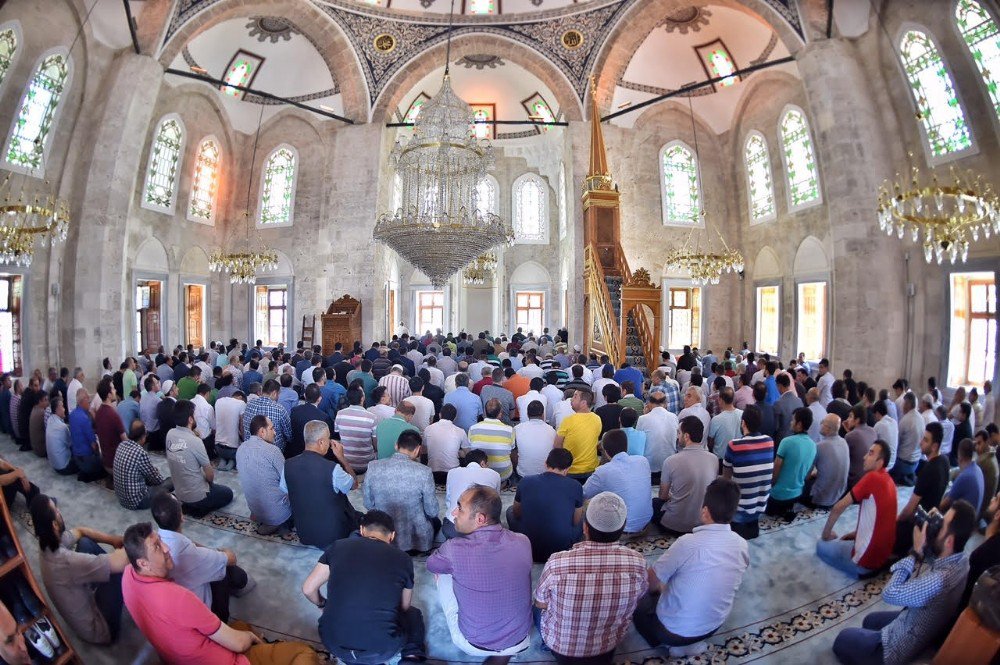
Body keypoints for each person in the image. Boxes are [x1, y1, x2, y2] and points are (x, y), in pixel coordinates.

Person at [121, 522, 317, 663]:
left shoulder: (128, 577)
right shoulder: (179, 598)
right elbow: (239, 644)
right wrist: (249, 639)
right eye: (156, 547)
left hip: (176, 658)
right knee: (304, 654)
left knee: (241, 625)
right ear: (143, 563)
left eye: (161, 540)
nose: (166, 548)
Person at [832, 501, 976, 665]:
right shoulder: (963, 560)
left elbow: (889, 593)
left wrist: (915, 552)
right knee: (870, 621)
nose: (938, 522)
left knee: (842, 639)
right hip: (918, 624)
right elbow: (938, 557)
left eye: (942, 524)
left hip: (895, 650)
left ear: (949, 541)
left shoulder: (939, 580)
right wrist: (928, 539)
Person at [633, 478, 749, 658]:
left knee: (639, 606)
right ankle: (689, 644)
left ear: (704, 511)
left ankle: (672, 646)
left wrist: (660, 590)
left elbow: (651, 581)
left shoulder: (687, 543)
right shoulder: (742, 544)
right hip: (714, 625)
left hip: (672, 631)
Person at [534, 491, 648, 664]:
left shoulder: (557, 562)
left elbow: (541, 604)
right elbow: (638, 600)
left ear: (585, 527)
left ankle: (545, 645)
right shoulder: (638, 562)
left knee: (536, 605)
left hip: (561, 649)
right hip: (607, 647)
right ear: (623, 527)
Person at [301, 510, 425, 664]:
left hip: (332, 643)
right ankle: (411, 659)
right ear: (392, 535)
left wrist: (323, 604)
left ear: (361, 530)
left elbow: (308, 589)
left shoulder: (338, 546)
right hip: (382, 648)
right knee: (413, 615)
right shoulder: (403, 559)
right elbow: (404, 607)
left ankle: (353, 659)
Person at [426, 485, 533, 661]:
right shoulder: (523, 541)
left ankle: (494, 647)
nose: (453, 512)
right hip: (520, 640)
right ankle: (504, 651)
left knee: (442, 573)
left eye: (459, 507)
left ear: (480, 519)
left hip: (473, 644)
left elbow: (431, 565)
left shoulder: (453, 548)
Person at [29, 494, 127, 645]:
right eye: (57, 511)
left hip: (85, 603)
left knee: (85, 543)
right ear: (54, 524)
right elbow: (120, 561)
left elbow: (80, 531)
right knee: (118, 570)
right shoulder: (66, 561)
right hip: (100, 630)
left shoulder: (47, 542)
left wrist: (112, 539)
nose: (60, 512)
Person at [151, 493, 254, 623]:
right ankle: (223, 621)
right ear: (182, 517)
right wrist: (221, 552)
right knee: (233, 574)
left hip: (175, 605)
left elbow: (190, 543)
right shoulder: (189, 554)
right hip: (201, 614)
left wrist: (210, 552)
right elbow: (230, 559)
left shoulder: (155, 543)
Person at [817, 441, 897, 577]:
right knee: (844, 541)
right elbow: (881, 519)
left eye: (871, 453)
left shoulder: (872, 477)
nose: (864, 457)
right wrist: (856, 533)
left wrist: (826, 534)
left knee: (821, 546)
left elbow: (838, 507)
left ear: (880, 461)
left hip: (865, 563)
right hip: (882, 557)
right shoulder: (889, 480)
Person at [283, 420, 360, 549]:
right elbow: (354, 485)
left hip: (305, 533)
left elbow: (287, 491)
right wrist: (342, 458)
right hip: (334, 536)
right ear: (321, 442)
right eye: (329, 438)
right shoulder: (333, 469)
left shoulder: (287, 464)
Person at [363, 430, 439, 554]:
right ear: (418, 450)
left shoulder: (373, 466)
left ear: (396, 445)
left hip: (383, 536)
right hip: (415, 541)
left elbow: (368, 504)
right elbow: (432, 511)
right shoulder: (424, 472)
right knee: (436, 521)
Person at [507, 448, 584, 562]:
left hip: (528, 547)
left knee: (509, 511)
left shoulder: (525, 481)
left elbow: (517, 513)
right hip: (560, 550)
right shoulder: (576, 486)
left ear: (545, 463)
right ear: (567, 469)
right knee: (583, 518)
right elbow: (575, 521)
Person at [166, 400, 234, 517]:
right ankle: (200, 507)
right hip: (198, 496)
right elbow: (210, 475)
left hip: (180, 493)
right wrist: (210, 485)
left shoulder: (170, 434)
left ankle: (190, 505)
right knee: (228, 493)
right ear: (190, 419)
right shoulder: (195, 441)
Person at [654, 416, 718, 534]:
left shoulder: (671, 461)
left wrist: (672, 496)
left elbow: (663, 496)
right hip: (702, 523)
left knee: (655, 503)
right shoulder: (714, 459)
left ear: (686, 436)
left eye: (679, 433)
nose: (677, 436)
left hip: (674, 525)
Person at [895, 422, 950, 556]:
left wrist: (897, 520)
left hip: (919, 524)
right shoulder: (944, 461)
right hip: (931, 520)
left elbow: (910, 508)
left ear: (934, 446)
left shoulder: (928, 470)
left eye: (925, 440)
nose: (921, 443)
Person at [584, 430, 653, 533]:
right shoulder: (643, 461)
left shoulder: (603, 471)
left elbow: (583, 493)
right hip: (646, 524)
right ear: (626, 446)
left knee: (587, 504)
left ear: (605, 451)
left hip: (620, 529)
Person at [722, 405, 774, 540]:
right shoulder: (769, 442)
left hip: (739, 509)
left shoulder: (734, 445)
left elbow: (726, 479)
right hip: (761, 505)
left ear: (743, 423)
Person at [237, 415, 293, 536]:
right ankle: (279, 523)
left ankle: (266, 520)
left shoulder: (240, 448)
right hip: (278, 513)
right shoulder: (273, 451)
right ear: (262, 431)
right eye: (272, 428)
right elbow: (288, 483)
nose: (275, 432)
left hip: (255, 510)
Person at [765, 407, 817, 521]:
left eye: (793, 420)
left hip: (778, 495)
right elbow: (808, 475)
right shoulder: (813, 445)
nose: (790, 422)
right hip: (798, 494)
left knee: (768, 512)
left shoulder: (786, 442)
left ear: (799, 424)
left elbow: (776, 471)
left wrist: (769, 487)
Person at [443, 449, 501, 539]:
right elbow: (495, 501)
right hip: (485, 529)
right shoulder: (495, 475)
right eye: (487, 464)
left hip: (453, 527)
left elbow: (448, 500)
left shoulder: (452, 472)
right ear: (482, 463)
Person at [113, 420, 170, 510]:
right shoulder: (140, 452)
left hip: (121, 498)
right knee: (170, 482)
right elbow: (156, 479)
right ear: (143, 437)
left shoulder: (121, 445)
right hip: (137, 501)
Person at [554, 389, 602, 481]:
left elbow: (557, 445)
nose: (571, 399)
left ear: (583, 403)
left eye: (575, 397)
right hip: (591, 469)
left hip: (570, 471)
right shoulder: (597, 419)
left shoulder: (568, 420)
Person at [468, 398, 517, 483]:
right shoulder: (509, 430)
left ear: (485, 413)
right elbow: (512, 451)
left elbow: (470, 449)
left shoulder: (473, 429)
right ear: (500, 414)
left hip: (479, 473)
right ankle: (502, 484)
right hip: (502, 474)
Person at [807, 414, 849, 510]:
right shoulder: (844, 442)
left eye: (823, 422)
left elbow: (806, 475)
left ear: (828, 428)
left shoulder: (820, 446)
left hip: (822, 498)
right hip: (839, 494)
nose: (820, 423)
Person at [241, 379, 293, 454]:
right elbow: (289, 435)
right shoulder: (279, 409)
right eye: (278, 394)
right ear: (274, 393)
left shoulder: (249, 405)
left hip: (249, 449)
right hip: (273, 452)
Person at [637, 391, 679, 483]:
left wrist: (645, 414)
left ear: (649, 404)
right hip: (669, 464)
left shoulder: (643, 419)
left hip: (649, 466)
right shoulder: (674, 417)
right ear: (665, 404)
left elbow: (639, 442)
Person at [423, 403, 470, 483]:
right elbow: (468, 453)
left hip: (432, 472)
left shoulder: (428, 429)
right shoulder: (460, 431)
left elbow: (423, 451)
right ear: (455, 418)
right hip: (452, 474)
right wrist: (456, 452)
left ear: (440, 415)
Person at [288, 384, 334, 460]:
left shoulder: (294, 411)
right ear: (319, 399)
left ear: (305, 396)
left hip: (295, 453)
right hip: (317, 457)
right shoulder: (324, 417)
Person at [68, 389, 105, 482]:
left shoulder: (72, 415)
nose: (89, 400)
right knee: (105, 467)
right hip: (86, 459)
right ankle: (87, 475)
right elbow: (93, 445)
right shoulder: (85, 419)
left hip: (76, 457)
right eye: (87, 398)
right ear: (82, 401)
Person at [940, 437, 984, 514]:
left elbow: (942, 506)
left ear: (959, 456)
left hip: (961, 523)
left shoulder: (965, 477)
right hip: (972, 518)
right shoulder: (977, 469)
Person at [892, 392, 924, 486]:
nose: (902, 407)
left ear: (908, 404)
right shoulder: (921, 418)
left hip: (904, 462)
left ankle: (901, 477)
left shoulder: (905, 420)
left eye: (904, 403)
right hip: (916, 462)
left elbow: (896, 442)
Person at [844, 404, 877, 490]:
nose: (848, 420)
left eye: (850, 417)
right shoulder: (873, 431)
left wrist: (848, 433)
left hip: (855, 481)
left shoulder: (851, 436)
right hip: (870, 479)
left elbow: (842, 459)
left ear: (857, 420)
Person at [214, 390, 246, 472]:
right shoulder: (241, 403)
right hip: (233, 450)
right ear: (240, 397)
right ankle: (232, 461)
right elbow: (242, 427)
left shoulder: (219, 401)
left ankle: (224, 459)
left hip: (218, 448)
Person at [44, 396, 77, 475]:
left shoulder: (50, 420)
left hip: (53, 464)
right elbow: (71, 444)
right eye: (62, 407)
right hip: (64, 467)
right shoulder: (62, 427)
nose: (64, 409)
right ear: (56, 410)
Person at [974, 429, 998, 521]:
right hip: (986, 503)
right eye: (975, 444)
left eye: (979, 443)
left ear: (987, 442)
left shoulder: (983, 461)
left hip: (980, 510)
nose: (976, 447)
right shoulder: (992, 454)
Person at [872, 399, 899, 471]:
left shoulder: (879, 425)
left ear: (877, 413)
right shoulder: (894, 422)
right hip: (893, 461)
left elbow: (872, 444)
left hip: (885, 465)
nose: (874, 418)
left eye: (874, 415)